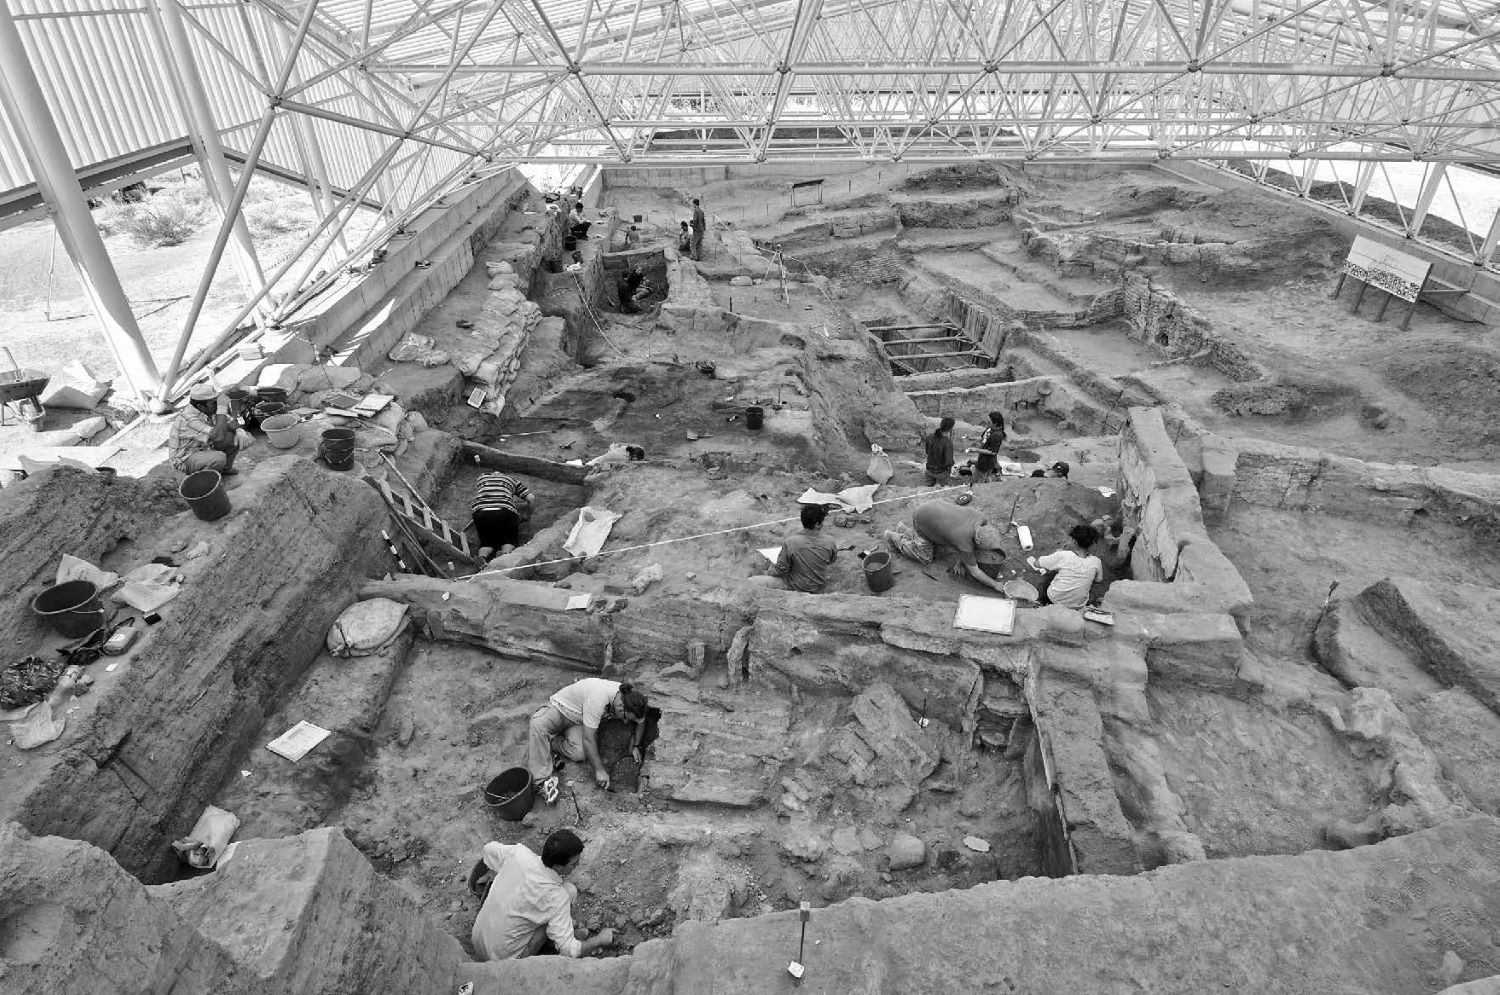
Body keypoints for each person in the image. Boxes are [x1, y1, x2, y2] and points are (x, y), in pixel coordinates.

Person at [467, 830, 616, 961]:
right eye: (574, 864)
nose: (577, 866)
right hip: (503, 962)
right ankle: (550, 942)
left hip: (478, 940)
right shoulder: (556, 897)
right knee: (563, 899)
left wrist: (509, 877)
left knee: (567, 891)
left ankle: (557, 930)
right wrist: (599, 940)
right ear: (557, 865)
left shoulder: (519, 854)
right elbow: (570, 951)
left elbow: (488, 850)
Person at [529, 678, 649, 803]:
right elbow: (588, 739)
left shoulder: (632, 699)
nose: (625, 722)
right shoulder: (598, 699)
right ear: (620, 706)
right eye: (625, 717)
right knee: (537, 725)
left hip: (580, 721)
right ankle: (541, 782)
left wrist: (636, 746)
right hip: (561, 710)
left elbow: (641, 721)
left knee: (580, 753)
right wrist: (600, 771)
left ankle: (551, 742)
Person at [884, 500, 1009, 594]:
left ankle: (904, 530)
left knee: (944, 546)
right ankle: (894, 537)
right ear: (976, 540)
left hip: (935, 509)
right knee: (925, 557)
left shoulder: (981, 519)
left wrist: (962, 561)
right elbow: (975, 572)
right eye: (983, 549)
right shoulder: (963, 540)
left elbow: (966, 547)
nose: (984, 553)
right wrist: (995, 585)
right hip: (922, 518)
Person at [750, 504, 838, 593]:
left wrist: (768, 573)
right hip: (818, 587)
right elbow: (831, 560)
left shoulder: (791, 542)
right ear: (818, 524)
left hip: (795, 587)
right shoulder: (830, 542)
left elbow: (781, 570)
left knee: (749, 582)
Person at [168, 382, 240, 475]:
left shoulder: (209, 409)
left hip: (203, 447)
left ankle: (224, 469)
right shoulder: (188, 419)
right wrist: (222, 408)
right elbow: (219, 437)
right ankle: (204, 480)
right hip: (184, 458)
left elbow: (230, 424)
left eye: (217, 401)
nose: (217, 404)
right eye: (214, 403)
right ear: (200, 406)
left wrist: (233, 419)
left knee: (233, 438)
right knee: (219, 458)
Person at [1027, 524, 1105, 608]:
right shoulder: (1096, 561)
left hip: (1054, 599)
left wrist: (1055, 554)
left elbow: (1037, 563)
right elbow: (1098, 580)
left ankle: (1044, 603)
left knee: (1051, 574)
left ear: (1074, 542)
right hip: (1078, 604)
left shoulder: (1064, 555)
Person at [472, 471, 533, 560]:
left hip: (481, 513)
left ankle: (482, 557)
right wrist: (527, 515)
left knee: (486, 542)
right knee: (510, 539)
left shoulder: (482, 478)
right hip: (505, 512)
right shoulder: (512, 480)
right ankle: (504, 554)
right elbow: (531, 498)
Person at [965, 411, 1007, 483]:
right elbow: (983, 438)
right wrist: (971, 438)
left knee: (981, 478)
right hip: (983, 458)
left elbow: (993, 452)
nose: (987, 422)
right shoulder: (990, 429)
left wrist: (976, 450)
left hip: (987, 461)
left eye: (989, 421)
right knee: (987, 476)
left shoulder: (997, 435)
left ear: (995, 423)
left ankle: (979, 491)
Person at [922, 417, 955, 486]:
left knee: (928, 490)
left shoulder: (930, 437)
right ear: (950, 429)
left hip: (929, 470)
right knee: (943, 490)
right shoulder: (947, 442)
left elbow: (927, 452)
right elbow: (949, 462)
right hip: (941, 473)